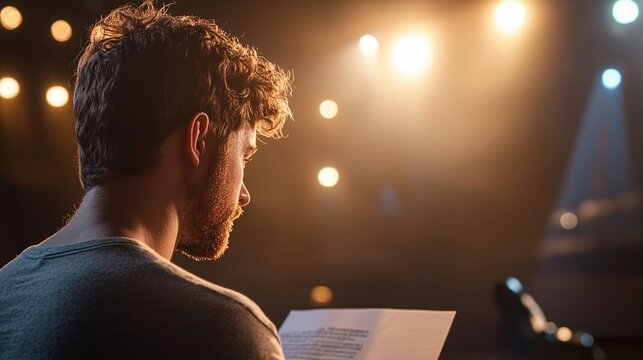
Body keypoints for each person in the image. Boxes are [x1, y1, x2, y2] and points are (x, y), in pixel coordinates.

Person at [0, 1, 292, 359]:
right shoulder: (219, 329)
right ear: (198, 139)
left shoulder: (5, 295)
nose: (244, 195)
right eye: (244, 156)